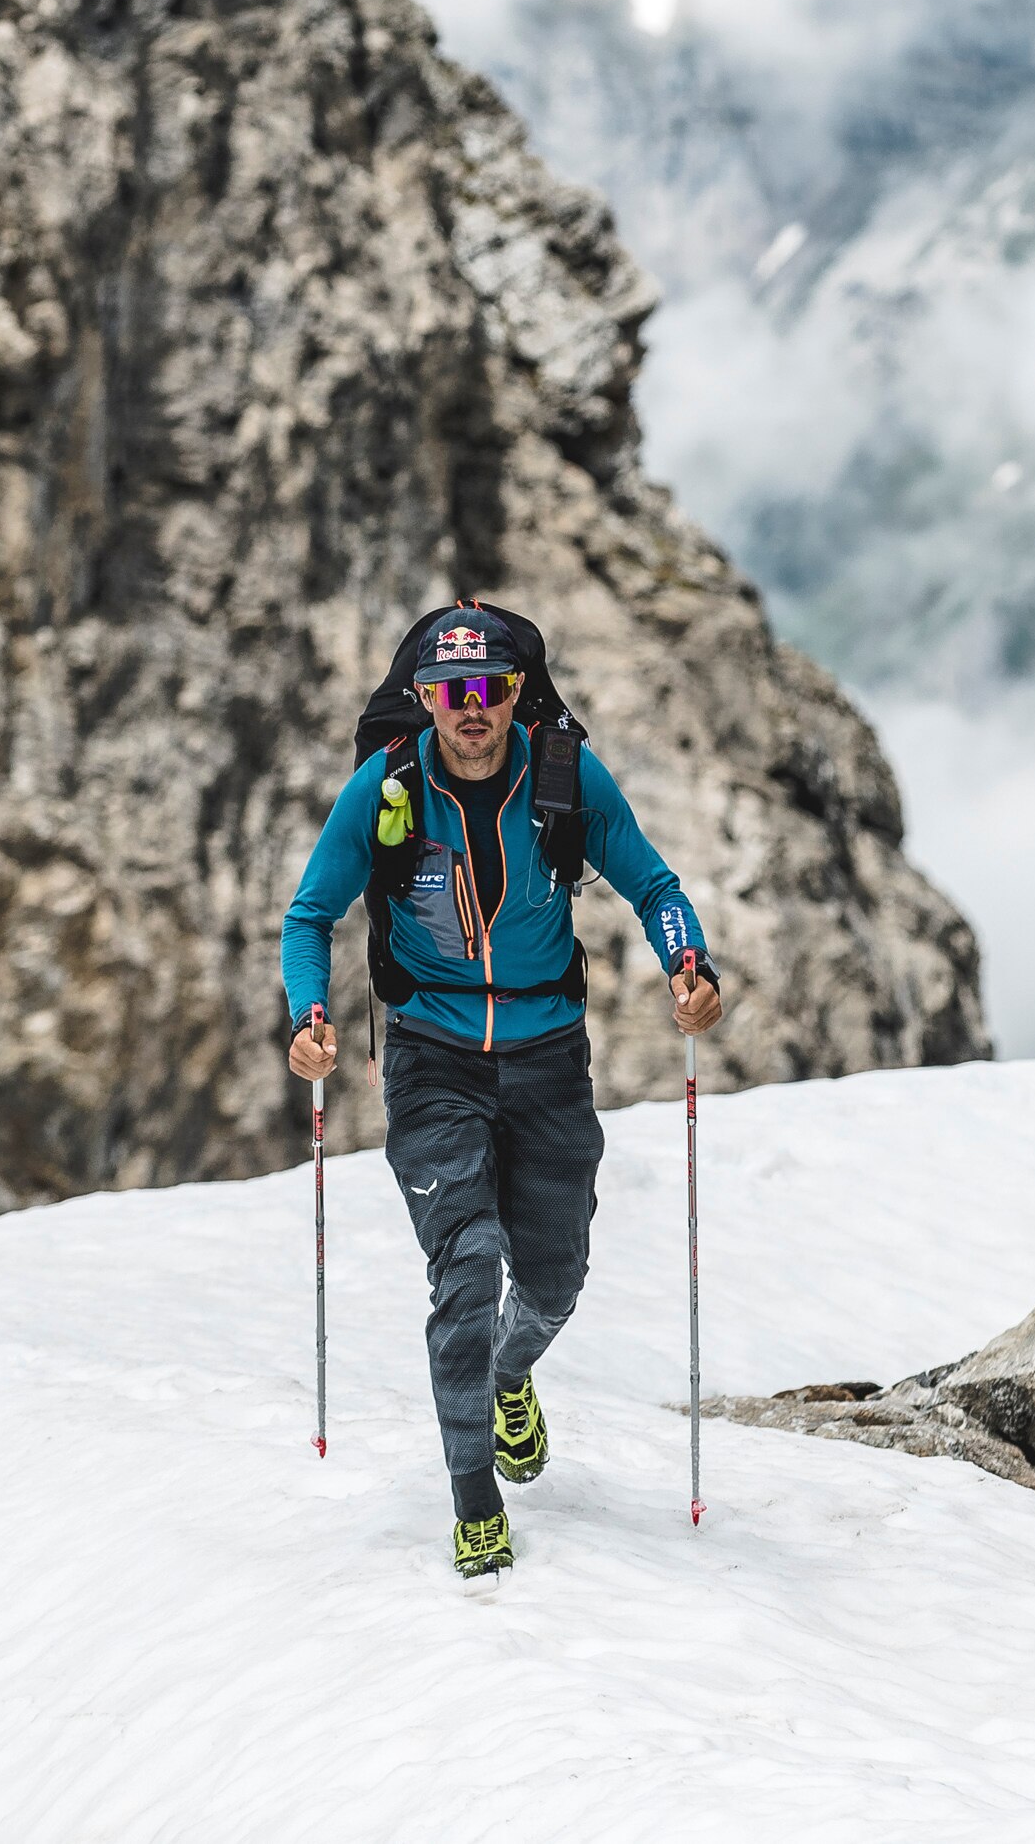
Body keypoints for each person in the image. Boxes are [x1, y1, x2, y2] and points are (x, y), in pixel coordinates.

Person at [281, 607, 725, 1577]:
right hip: (430, 1057)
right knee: (468, 1266)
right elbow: (310, 911)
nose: (470, 709)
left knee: (553, 1278)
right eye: (451, 692)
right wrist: (309, 1016)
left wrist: (687, 963)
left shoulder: (562, 778)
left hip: (546, 1056)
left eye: (488, 688)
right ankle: (473, 1500)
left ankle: (507, 1375)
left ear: (515, 692)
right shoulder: (388, 790)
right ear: (425, 698)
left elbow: (653, 886)